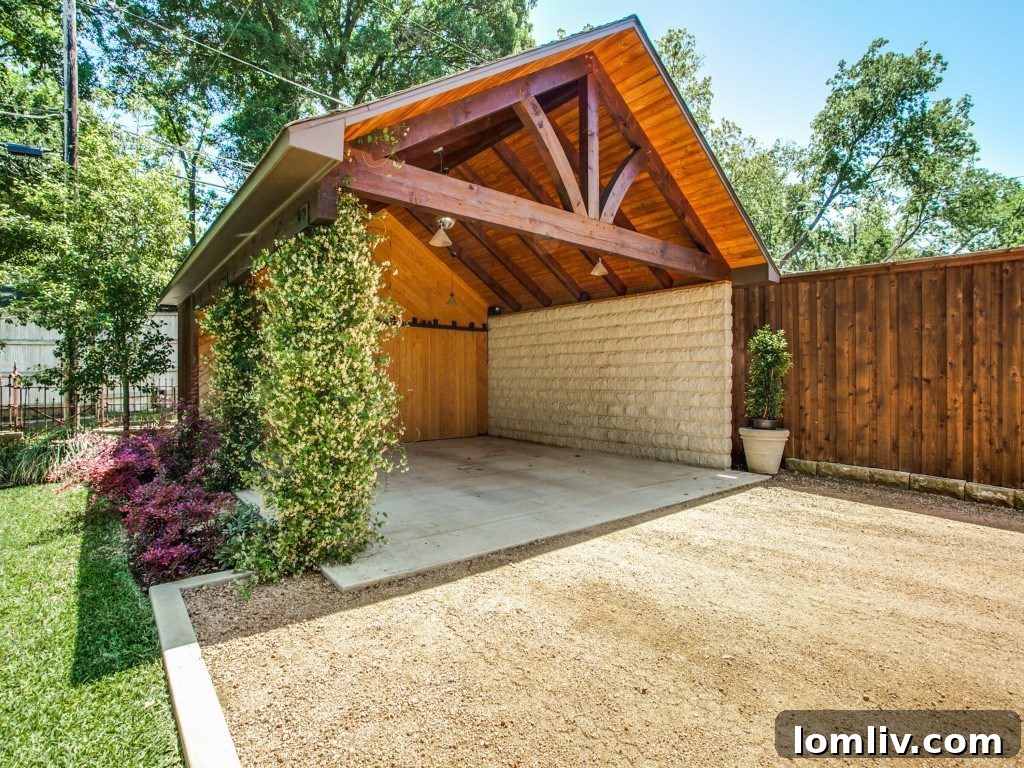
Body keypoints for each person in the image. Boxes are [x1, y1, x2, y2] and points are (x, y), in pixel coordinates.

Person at [8, 363, 23, 429]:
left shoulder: (18, 377)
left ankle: (18, 424)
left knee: (16, 406)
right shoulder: (12, 376)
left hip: (16, 386)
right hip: (14, 387)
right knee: (14, 406)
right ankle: (13, 425)